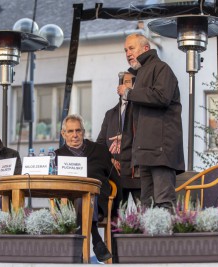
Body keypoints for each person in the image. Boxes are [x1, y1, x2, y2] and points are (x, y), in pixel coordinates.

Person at [117, 33, 185, 210]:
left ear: (145, 48)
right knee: (147, 205)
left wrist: (129, 93)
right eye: (125, 50)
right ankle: (149, 238)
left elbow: (162, 97)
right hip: (145, 152)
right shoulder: (140, 74)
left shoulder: (161, 68)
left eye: (131, 48)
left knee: (163, 202)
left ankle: (166, 238)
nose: (128, 53)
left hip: (160, 151)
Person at [56, 114, 117, 262]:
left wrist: (115, 210)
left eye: (78, 130)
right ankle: (96, 239)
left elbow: (114, 179)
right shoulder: (56, 156)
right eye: (70, 131)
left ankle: (78, 255)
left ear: (83, 131)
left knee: (85, 197)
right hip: (68, 205)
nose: (75, 135)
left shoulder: (99, 151)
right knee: (79, 198)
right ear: (63, 134)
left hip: (98, 201)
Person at [97, 71, 140, 205]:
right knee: (117, 218)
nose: (129, 85)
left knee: (144, 215)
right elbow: (100, 144)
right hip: (116, 175)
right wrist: (109, 159)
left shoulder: (142, 111)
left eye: (132, 82)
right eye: (126, 81)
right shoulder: (110, 114)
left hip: (136, 173)